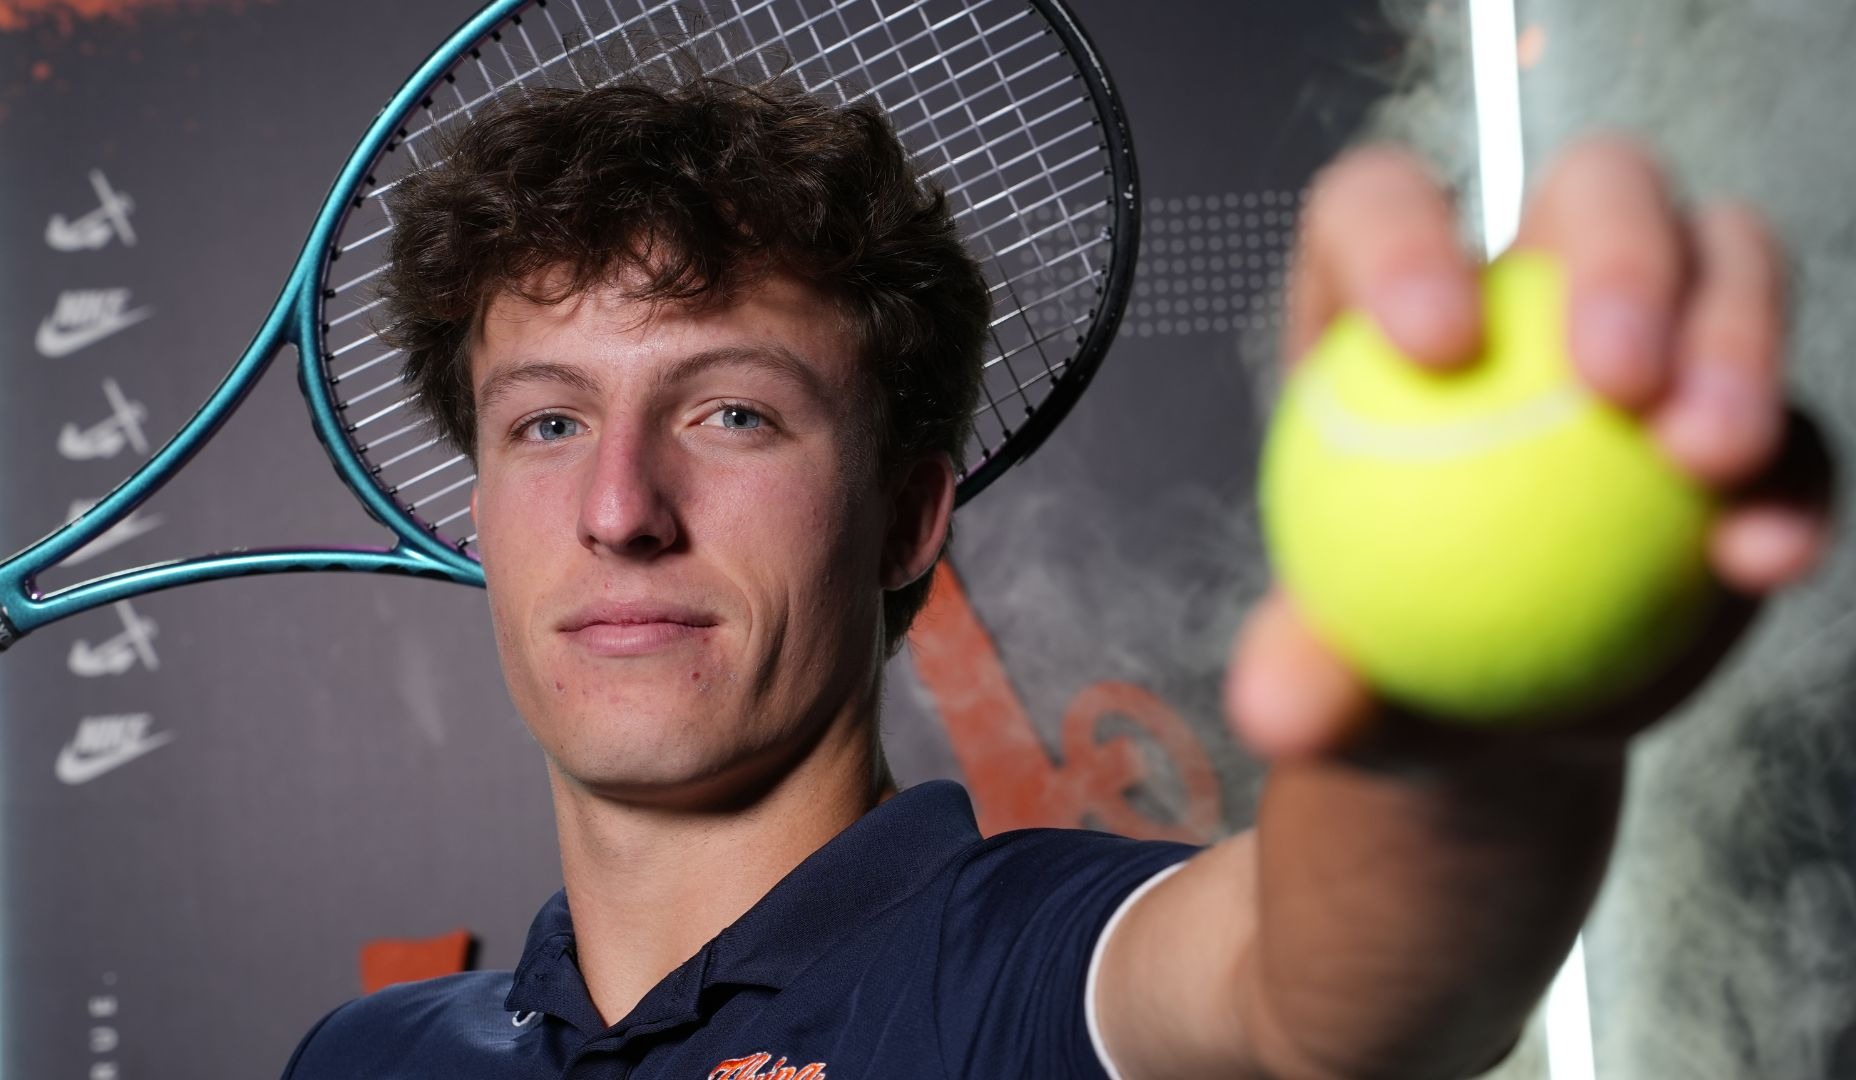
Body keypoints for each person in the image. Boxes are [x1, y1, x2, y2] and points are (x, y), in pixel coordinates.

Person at [281, 70, 1831, 1079]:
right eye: (548, 422)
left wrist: (1479, 698)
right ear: (482, 510)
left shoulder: (1033, 970)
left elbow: (1313, 991)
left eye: (732, 413)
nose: (620, 507)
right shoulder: (360, 1059)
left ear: (908, 520)